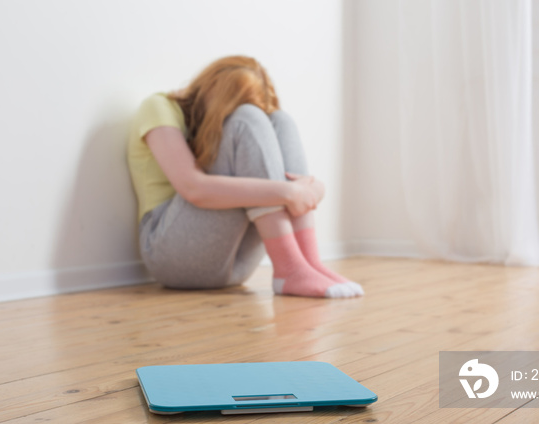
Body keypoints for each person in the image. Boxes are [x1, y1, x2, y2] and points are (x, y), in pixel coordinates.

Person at [127, 56, 363, 298]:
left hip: (236, 265)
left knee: (281, 121)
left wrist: (315, 189)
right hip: (170, 255)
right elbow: (193, 188)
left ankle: (309, 264)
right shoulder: (158, 107)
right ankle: (289, 268)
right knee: (247, 118)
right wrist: (291, 192)